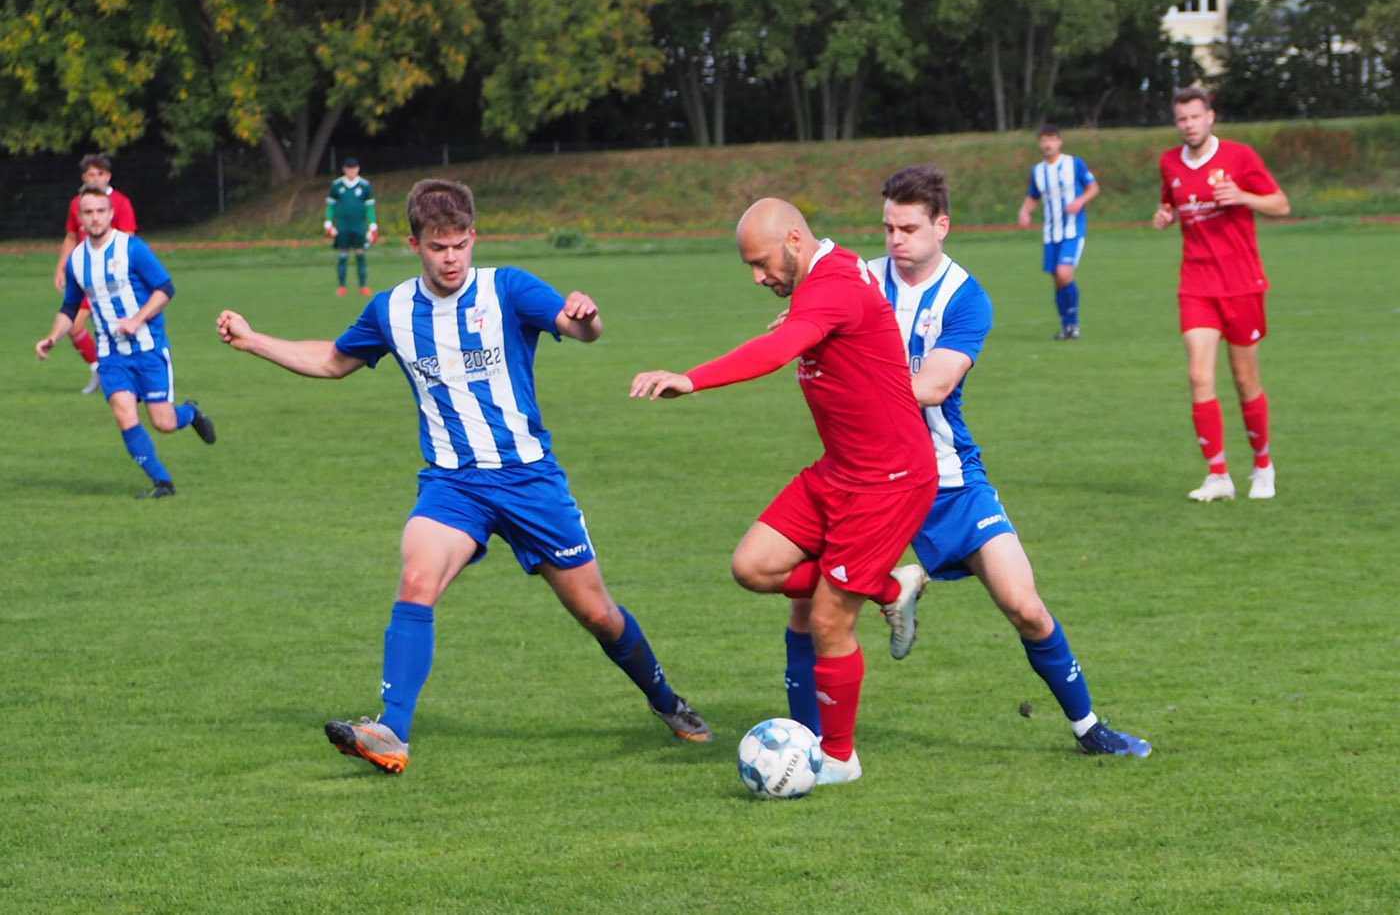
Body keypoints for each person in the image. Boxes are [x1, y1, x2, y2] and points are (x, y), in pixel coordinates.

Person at [217, 178, 711, 775]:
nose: (450, 258)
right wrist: (253, 341)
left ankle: (666, 701)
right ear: (414, 245)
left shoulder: (509, 288)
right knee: (416, 576)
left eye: (460, 244)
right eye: (437, 247)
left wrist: (588, 316)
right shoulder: (392, 310)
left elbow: (580, 328)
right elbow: (331, 360)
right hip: (453, 486)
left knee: (597, 614)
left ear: (474, 237)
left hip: (529, 481)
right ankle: (391, 732)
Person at [630, 198, 937, 786]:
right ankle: (887, 585)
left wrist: (691, 379)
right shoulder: (826, 274)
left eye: (761, 262)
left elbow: (775, 352)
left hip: (888, 481)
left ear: (795, 240)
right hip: (839, 471)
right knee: (753, 566)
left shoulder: (834, 285)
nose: (756, 277)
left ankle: (840, 759)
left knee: (827, 618)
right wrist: (804, 317)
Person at [847, 163, 1148, 757]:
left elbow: (933, 386)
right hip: (869, 475)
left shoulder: (966, 297)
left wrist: (850, 378)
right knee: (809, 599)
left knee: (1025, 607)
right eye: (888, 228)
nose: (894, 240)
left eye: (908, 228)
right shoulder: (859, 279)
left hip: (949, 477)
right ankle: (821, 737)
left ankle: (1089, 728)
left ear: (942, 226)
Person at [1152, 87, 1289, 502]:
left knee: (1245, 380)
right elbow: (1171, 203)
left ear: (1210, 117)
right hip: (1196, 284)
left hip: (1242, 284)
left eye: (1195, 117)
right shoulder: (1169, 162)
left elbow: (1281, 205)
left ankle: (1262, 466)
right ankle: (1218, 476)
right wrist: (1164, 215)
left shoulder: (1239, 156)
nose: (1189, 125)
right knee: (1198, 375)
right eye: (1182, 119)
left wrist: (1243, 197)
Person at [36, 185, 217, 498]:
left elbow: (165, 288)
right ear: (80, 217)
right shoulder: (76, 260)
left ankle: (189, 413)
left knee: (163, 422)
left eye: (100, 211)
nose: (95, 218)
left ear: (110, 214)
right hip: (111, 354)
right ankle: (162, 483)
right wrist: (53, 337)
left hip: (148, 348)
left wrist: (137, 319)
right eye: (88, 212)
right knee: (123, 414)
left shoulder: (132, 248)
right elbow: (70, 307)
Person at [53, 153, 139, 394]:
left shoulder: (120, 203)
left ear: (108, 176)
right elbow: (71, 237)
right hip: (85, 276)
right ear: (84, 177)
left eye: (100, 174)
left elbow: (129, 240)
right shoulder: (76, 204)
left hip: (110, 280)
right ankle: (102, 369)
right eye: (91, 174)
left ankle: (114, 371)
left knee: (115, 329)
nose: (96, 178)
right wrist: (61, 267)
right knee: (77, 327)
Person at [1017, 124, 1099, 340]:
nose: (1048, 143)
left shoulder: (1074, 163)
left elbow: (1093, 188)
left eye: (1052, 138)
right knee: (1057, 280)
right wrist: (1025, 212)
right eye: (1044, 139)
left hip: (1072, 230)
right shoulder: (1038, 170)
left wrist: (1080, 201)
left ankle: (1074, 324)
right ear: (1039, 143)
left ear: (1059, 141)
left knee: (1064, 274)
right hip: (1050, 233)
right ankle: (1067, 327)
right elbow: (1033, 195)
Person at [324, 158, 379, 296]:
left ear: (358, 169)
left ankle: (363, 286)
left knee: (360, 255)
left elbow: (369, 207)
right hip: (342, 227)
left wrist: (372, 225)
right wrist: (328, 222)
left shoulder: (364, 185)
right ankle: (342, 287)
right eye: (349, 169)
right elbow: (331, 205)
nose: (351, 171)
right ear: (344, 169)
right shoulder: (337, 185)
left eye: (354, 168)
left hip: (359, 227)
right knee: (342, 256)